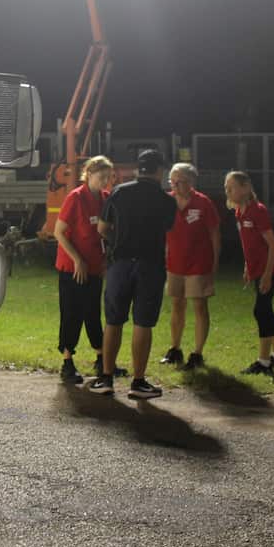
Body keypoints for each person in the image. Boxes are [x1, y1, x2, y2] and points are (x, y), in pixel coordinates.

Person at [92, 149, 177, 398]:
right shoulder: (166, 200)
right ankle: (138, 383)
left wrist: (118, 240)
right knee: (143, 323)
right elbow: (167, 228)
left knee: (113, 321)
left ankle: (106, 378)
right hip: (150, 265)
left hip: (120, 264)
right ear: (159, 170)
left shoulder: (119, 192)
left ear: (138, 169)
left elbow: (102, 228)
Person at [53, 155, 116, 384]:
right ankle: (67, 362)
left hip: (94, 267)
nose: (105, 181)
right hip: (72, 268)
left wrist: (106, 259)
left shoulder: (106, 199)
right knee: (72, 313)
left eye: (108, 177)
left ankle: (101, 358)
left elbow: (105, 232)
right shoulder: (76, 198)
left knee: (92, 312)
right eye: (101, 177)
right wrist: (77, 260)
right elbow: (59, 232)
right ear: (88, 174)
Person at [224, 171, 274, 375]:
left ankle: (264, 361)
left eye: (232, 187)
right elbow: (249, 243)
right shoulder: (239, 211)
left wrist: (267, 275)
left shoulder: (258, 211)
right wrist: (247, 265)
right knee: (265, 310)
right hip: (258, 269)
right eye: (226, 188)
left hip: (270, 268)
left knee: (260, 310)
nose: (228, 191)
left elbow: (273, 245)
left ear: (245, 187)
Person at [159, 162, 220, 371]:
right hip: (175, 263)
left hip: (199, 263)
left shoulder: (203, 203)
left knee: (199, 306)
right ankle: (175, 349)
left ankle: (197, 353)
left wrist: (215, 262)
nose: (175, 185)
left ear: (191, 182)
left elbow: (214, 234)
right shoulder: (167, 201)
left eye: (180, 182)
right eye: (172, 181)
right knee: (177, 304)